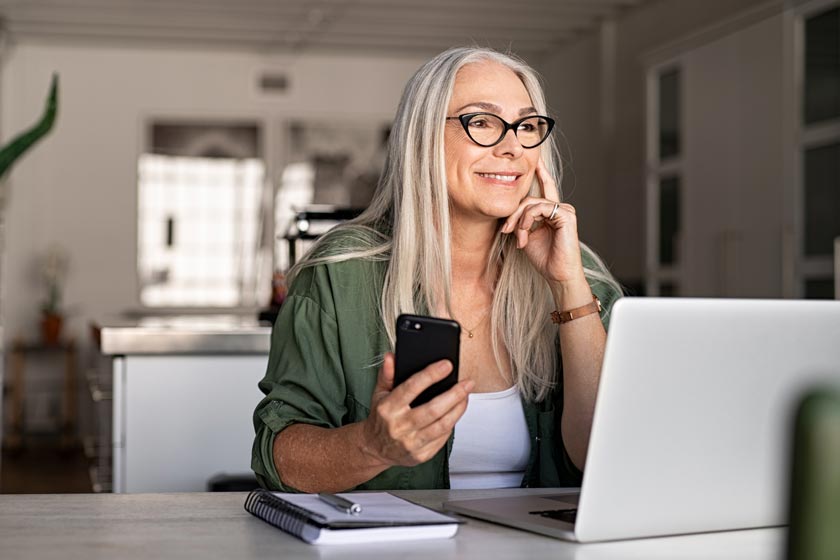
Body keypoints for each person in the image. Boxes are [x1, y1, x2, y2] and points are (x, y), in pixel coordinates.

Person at [252, 47, 623, 493]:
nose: (512, 147)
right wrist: (372, 446)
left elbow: (609, 457)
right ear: (423, 137)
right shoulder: (342, 272)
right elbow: (280, 458)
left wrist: (568, 288)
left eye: (526, 126)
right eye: (481, 122)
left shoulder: (580, 276)